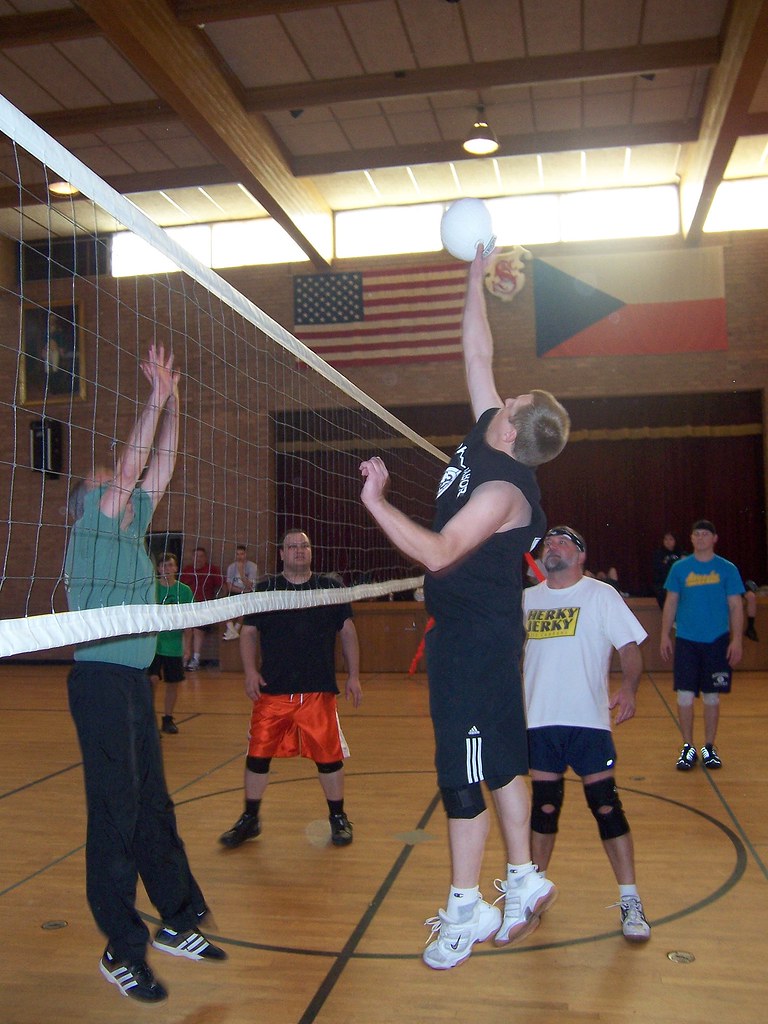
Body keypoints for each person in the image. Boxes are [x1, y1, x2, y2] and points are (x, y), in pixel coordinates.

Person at [359, 246, 570, 970]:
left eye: (515, 401)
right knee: (506, 761)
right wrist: (473, 274)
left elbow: (441, 551)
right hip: (482, 635)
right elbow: (477, 347)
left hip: (474, 646)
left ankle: (463, 906)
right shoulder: (492, 429)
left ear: (516, 428)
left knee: (463, 772)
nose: (505, 394)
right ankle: (521, 879)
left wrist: (375, 504)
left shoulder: (503, 491)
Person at [64, 344, 225, 1004]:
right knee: (116, 813)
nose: (122, 487)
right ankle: (120, 948)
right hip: (99, 680)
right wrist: (153, 397)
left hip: (131, 681)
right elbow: (133, 468)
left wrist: (177, 402)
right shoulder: (94, 530)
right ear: (94, 500)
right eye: (109, 484)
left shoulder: (131, 528)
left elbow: (159, 466)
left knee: (154, 805)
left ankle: (177, 921)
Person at [522, 525, 651, 943]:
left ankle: (630, 898)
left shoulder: (601, 595)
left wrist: (629, 688)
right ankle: (532, 894)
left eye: (562, 542)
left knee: (605, 805)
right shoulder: (526, 601)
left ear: (580, 554)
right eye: (547, 544)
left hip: (588, 722)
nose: (551, 547)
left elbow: (630, 649)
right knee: (544, 808)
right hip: (539, 722)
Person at [219, 528, 362, 849]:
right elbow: (248, 633)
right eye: (292, 546)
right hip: (273, 691)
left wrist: (353, 675)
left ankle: (338, 817)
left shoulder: (329, 587)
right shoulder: (266, 588)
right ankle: (250, 818)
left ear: (311, 552)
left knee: (329, 758)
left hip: (317, 691)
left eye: (304, 546)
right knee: (257, 755)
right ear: (281, 553)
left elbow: (348, 632)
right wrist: (250, 671)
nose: (299, 550)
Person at [660, 519, 744, 771]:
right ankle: (688, 746)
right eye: (696, 534)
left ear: (714, 539)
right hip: (686, 640)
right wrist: (665, 634)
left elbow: (736, 605)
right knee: (684, 695)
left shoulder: (727, 569)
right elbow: (671, 602)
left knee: (711, 695)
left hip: (716, 640)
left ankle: (709, 746)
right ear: (692, 538)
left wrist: (737, 639)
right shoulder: (679, 568)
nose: (700, 538)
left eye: (705, 534)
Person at [149, 552, 194, 734]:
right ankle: (149, 722)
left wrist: (187, 646)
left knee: (172, 683)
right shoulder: (151, 589)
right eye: (163, 565)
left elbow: (189, 622)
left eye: (170, 565)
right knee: (151, 680)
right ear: (158, 568)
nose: (166, 569)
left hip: (174, 645)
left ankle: (168, 719)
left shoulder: (184, 591)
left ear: (176, 568)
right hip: (153, 644)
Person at [180, 546, 223, 670]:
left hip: (204, 607)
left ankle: (196, 659)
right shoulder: (187, 570)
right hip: (188, 607)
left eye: (201, 556)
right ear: (192, 557)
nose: (198, 559)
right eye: (196, 556)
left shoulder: (211, 570)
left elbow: (221, 586)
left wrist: (218, 605)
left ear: (205, 558)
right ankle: (185, 657)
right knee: (187, 630)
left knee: (198, 630)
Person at [222, 544, 259, 640]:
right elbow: (229, 586)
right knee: (225, 606)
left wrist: (242, 573)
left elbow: (250, 586)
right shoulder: (231, 567)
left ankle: (234, 630)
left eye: (242, 554)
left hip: (248, 592)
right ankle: (233, 631)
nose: (239, 557)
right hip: (236, 590)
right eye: (237, 554)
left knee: (243, 608)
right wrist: (242, 590)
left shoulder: (252, 567)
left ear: (245, 554)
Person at [652, 532, 683, 608]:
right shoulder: (658, 554)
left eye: (670, 539)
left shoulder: (681, 553)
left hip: (679, 582)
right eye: (666, 539)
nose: (668, 542)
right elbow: (659, 569)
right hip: (663, 583)